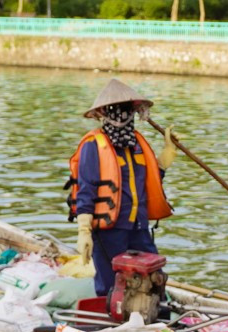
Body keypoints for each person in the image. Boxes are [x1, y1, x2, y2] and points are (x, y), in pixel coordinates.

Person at [67, 78, 177, 297]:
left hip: (138, 227)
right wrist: (84, 231)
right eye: (115, 111)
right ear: (103, 114)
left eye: (126, 110)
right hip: (109, 229)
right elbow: (87, 190)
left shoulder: (135, 143)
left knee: (154, 278)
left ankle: (155, 316)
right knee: (111, 285)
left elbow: (149, 181)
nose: (122, 116)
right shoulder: (93, 145)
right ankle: (109, 322)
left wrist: (166, 155)